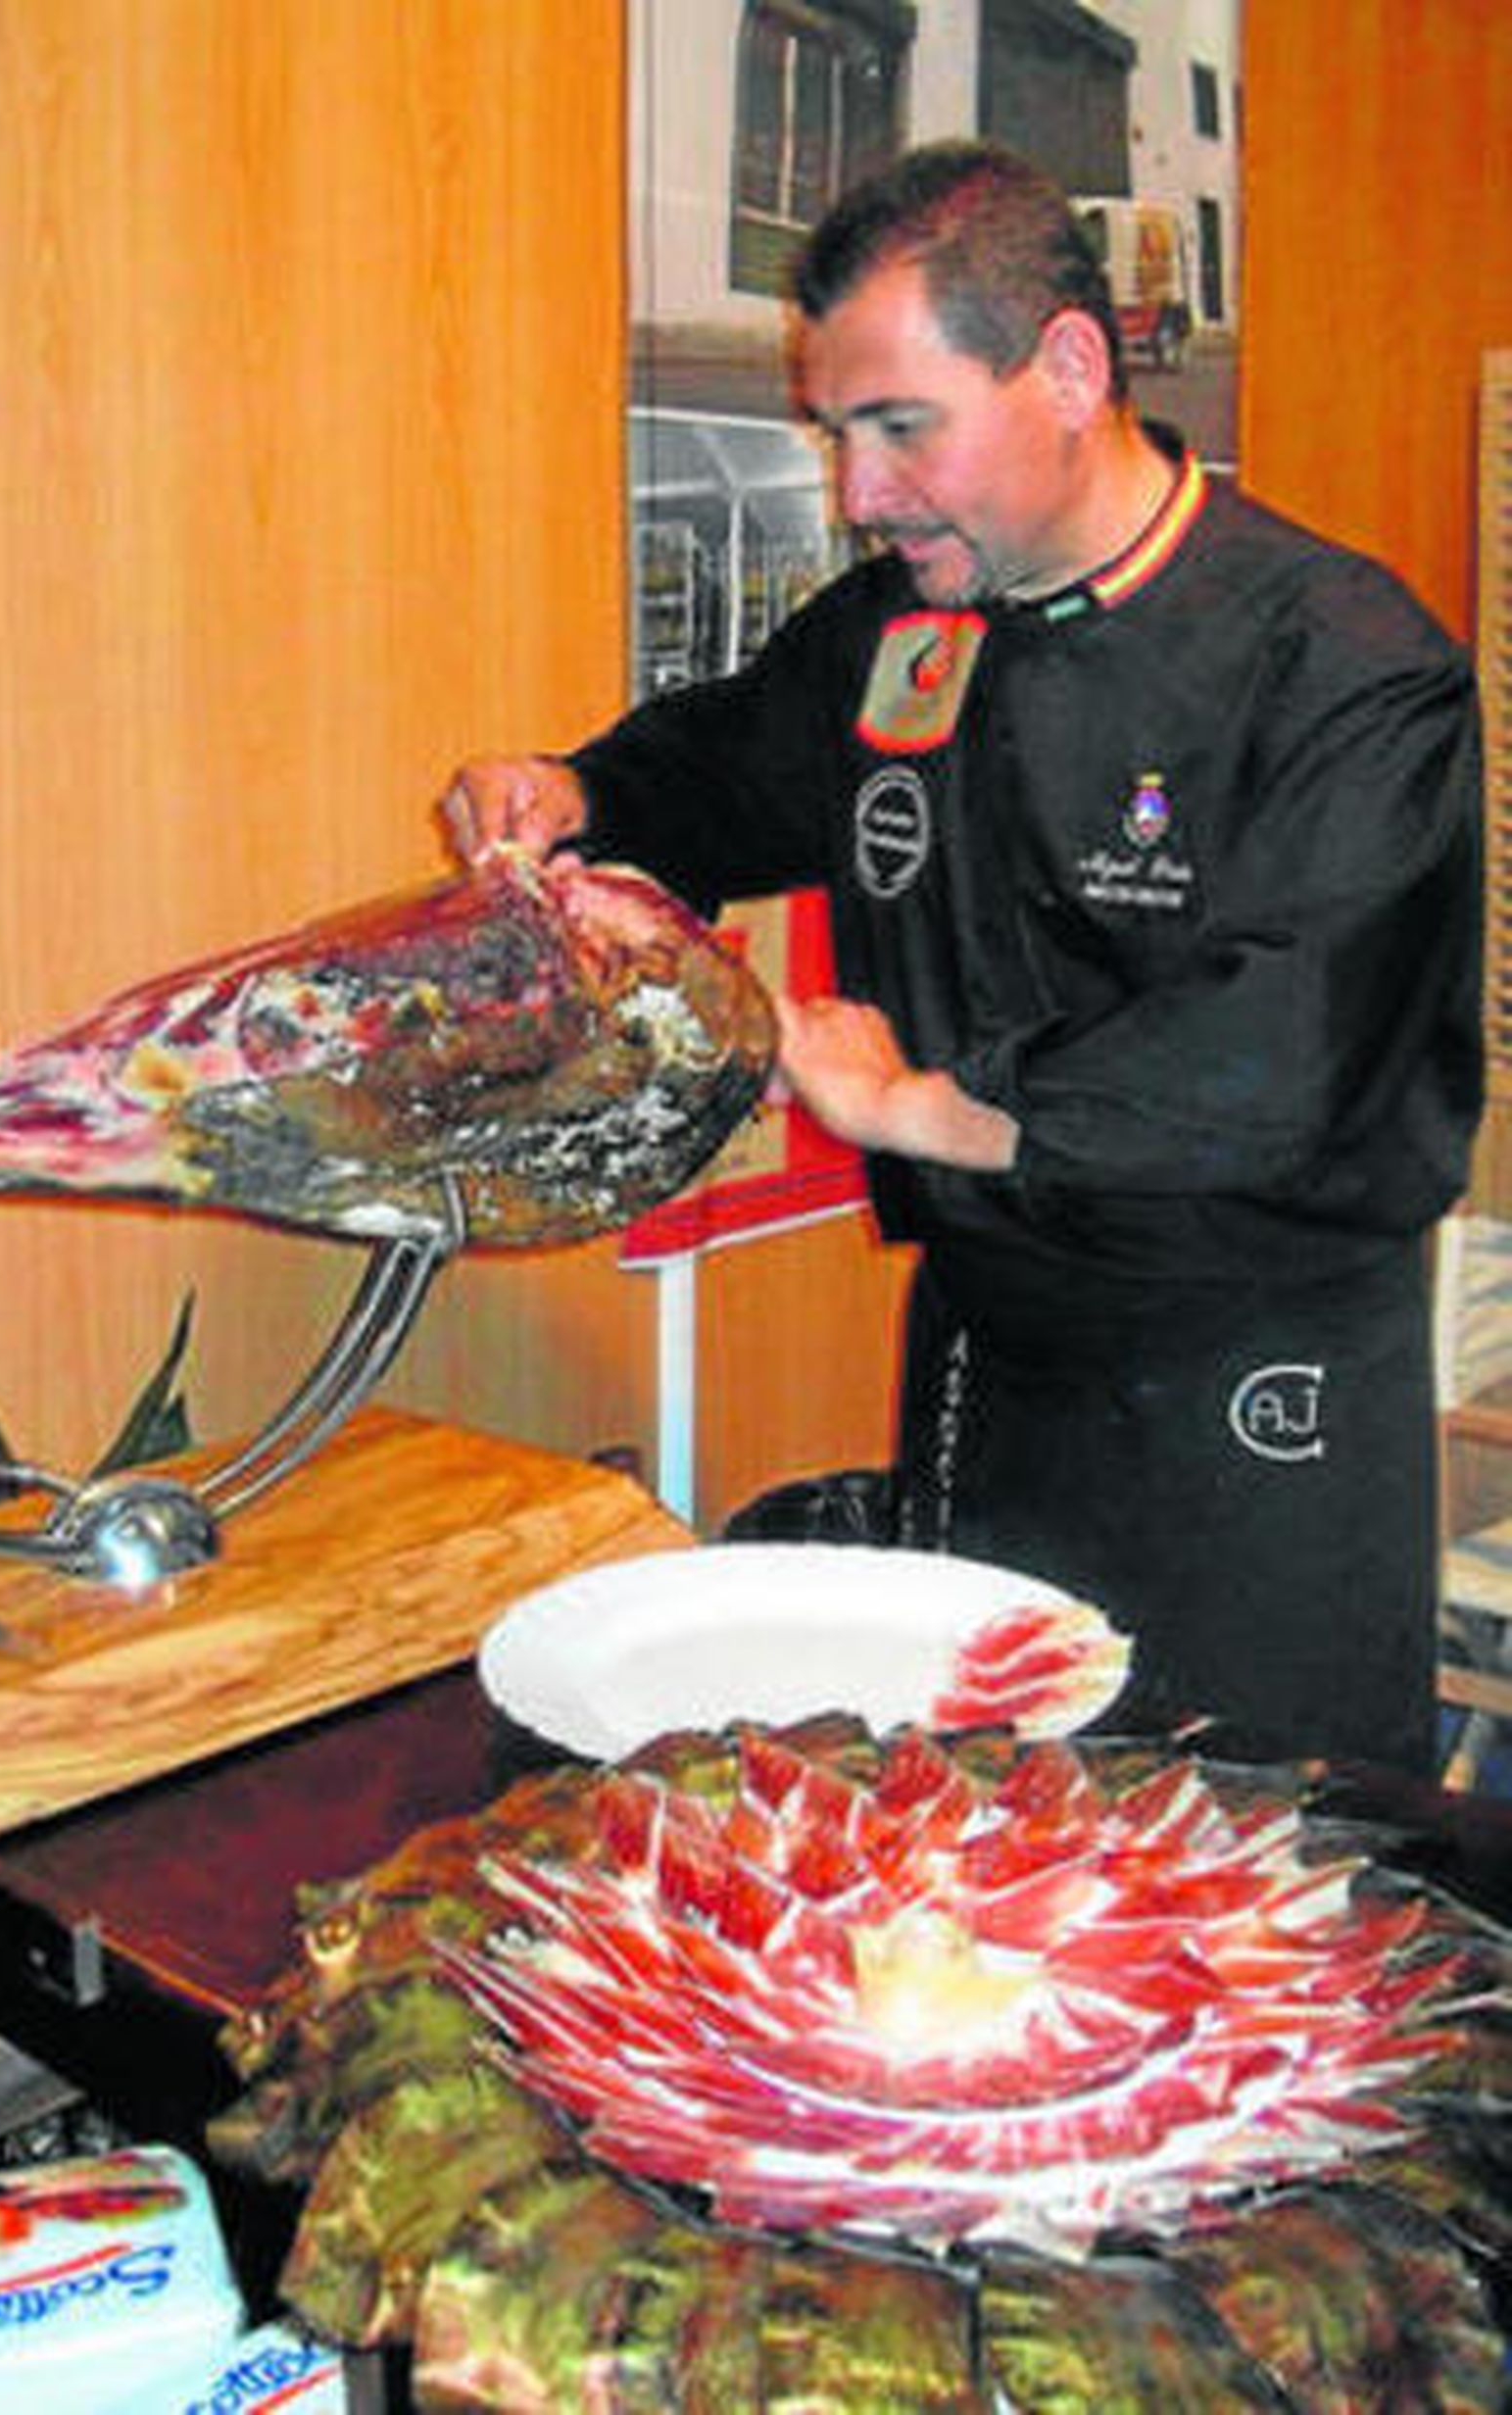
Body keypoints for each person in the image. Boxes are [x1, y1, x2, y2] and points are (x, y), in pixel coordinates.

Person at [440, 139, 1484, 1777]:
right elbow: (723, 765)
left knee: (1256, 1874)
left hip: (1254, 1381)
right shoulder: (903, 634)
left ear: (1068, 366)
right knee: (983, 1831)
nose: (860, 491)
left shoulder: (1342, 663)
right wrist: (576, 791)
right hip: (989, 1354)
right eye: (837, 433)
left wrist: (923, 1106)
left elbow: (1288, 1057)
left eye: (901, 426)